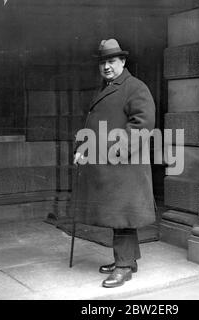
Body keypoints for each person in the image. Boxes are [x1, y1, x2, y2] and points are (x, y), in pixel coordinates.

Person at [72, 39, 156, 288]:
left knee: (122, 215)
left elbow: (142, 125)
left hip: (125, 165)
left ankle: (123, 268)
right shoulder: (108, 87)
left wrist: (111, 152)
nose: (106, 66)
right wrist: (83, 148)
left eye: (111, 61)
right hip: (113, 166)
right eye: (102, 62)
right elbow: (95, 127)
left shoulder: (134, 87)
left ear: (123, 62)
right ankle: (128, 260)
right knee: (121, 214)